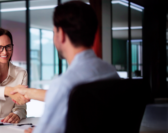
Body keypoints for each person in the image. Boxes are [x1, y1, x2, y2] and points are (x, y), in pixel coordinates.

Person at [11, 1, 120, 133]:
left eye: (54, 32)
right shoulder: (111, 72)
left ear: (61, 34)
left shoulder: (64, 84)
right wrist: (29, 92)